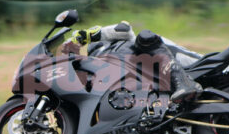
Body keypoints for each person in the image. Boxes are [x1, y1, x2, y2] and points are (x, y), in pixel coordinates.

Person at [62, 21, 203, 103]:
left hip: (188, 62)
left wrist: (88, 35)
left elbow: (125, 28)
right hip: (162, 80)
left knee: (143, 38)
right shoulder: (100, 75)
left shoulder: (105, 46)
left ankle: (185, 82)